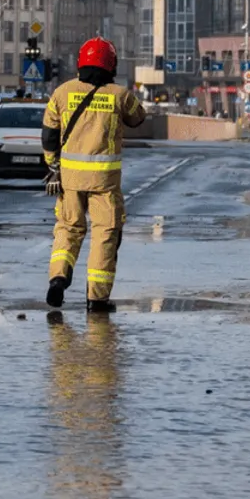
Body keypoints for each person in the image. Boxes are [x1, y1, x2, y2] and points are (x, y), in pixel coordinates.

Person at [43, 37, 146, 313]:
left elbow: (49, 133)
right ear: (111, 64)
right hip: (104, 183)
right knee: (105, 234)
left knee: (68, 229)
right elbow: (139, 117)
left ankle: (58, 277)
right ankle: (96, 299)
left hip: (70, 180)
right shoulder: (119, 95)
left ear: (81, 62)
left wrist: (53, 165)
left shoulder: (62, 93)